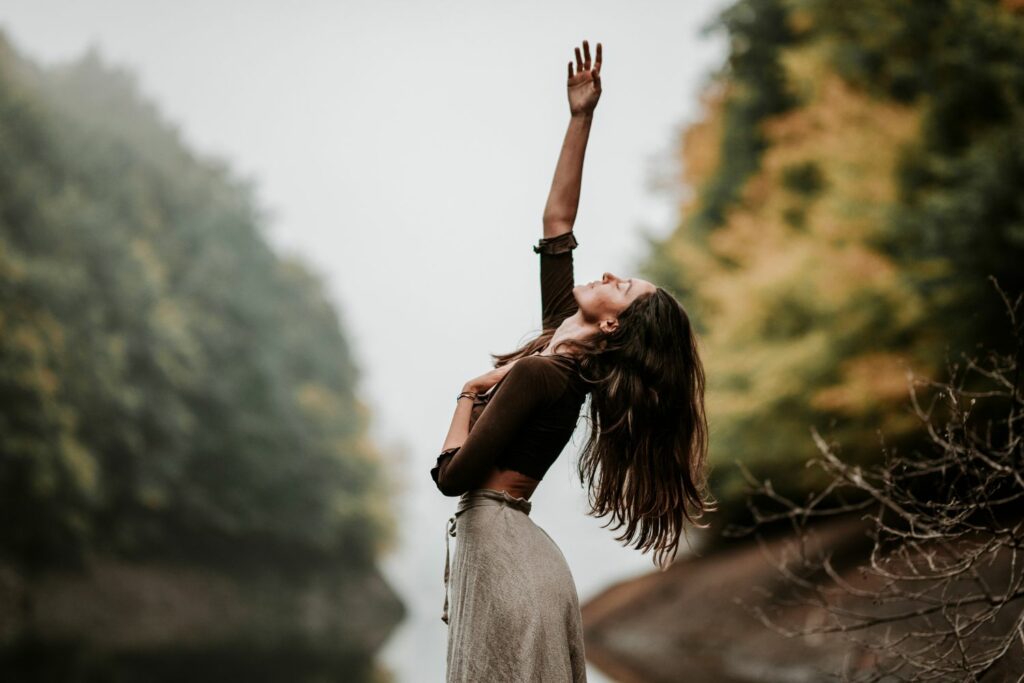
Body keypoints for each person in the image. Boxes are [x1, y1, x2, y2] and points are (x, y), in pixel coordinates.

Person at [431, 39, 714, 683]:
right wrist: (580, 117)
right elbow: (557, 221)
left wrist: (469, 393)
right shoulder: (564, 355)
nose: (610, 273)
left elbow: (452, 478)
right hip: (515, 556)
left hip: (506, 556)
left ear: (612, 324)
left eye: (622, 286)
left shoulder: (542, 375)